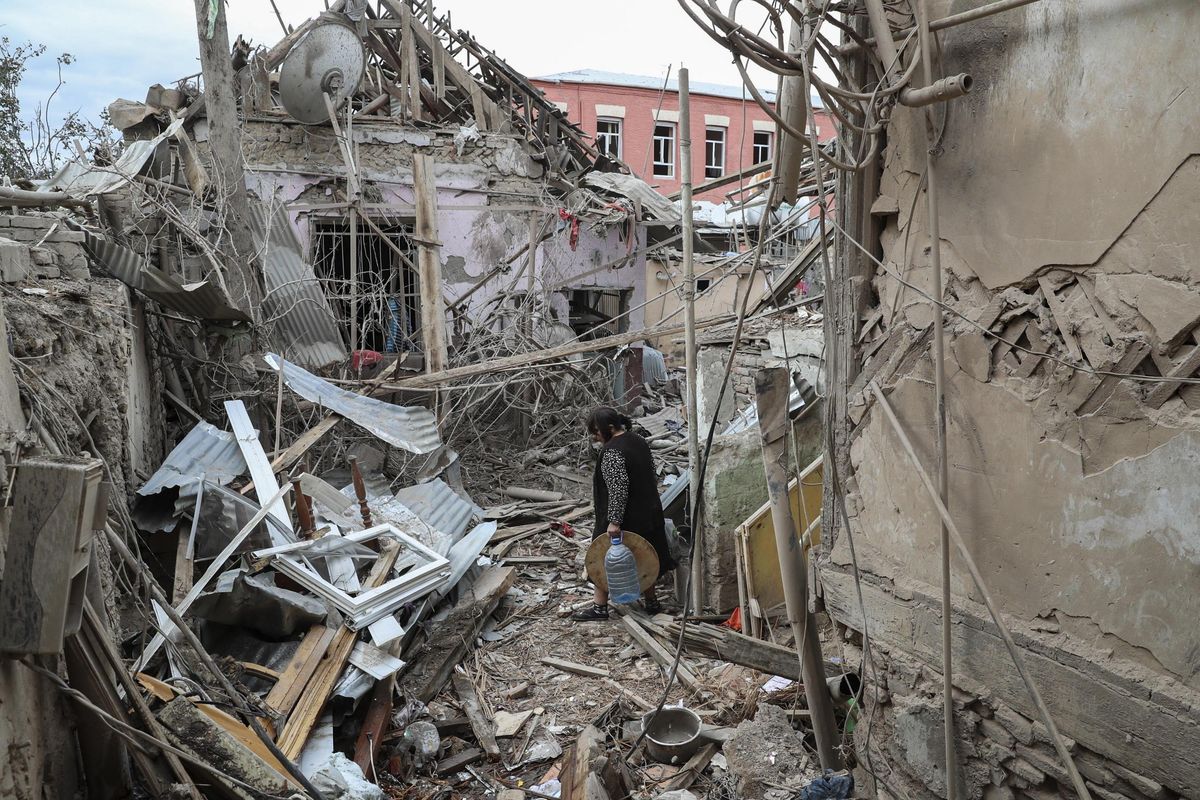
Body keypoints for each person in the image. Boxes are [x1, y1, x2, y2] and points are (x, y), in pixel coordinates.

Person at [572, 407, 676, 622]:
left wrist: (614, 521)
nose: (596, 437)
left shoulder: (612, 452)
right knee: (646, 556)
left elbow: (618, 490)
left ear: (609, 428)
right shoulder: (638, 440)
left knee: (601, 557)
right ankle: (652, 603)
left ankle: (600, 608)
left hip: (626, 518)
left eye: (597, 432)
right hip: (649, 512)